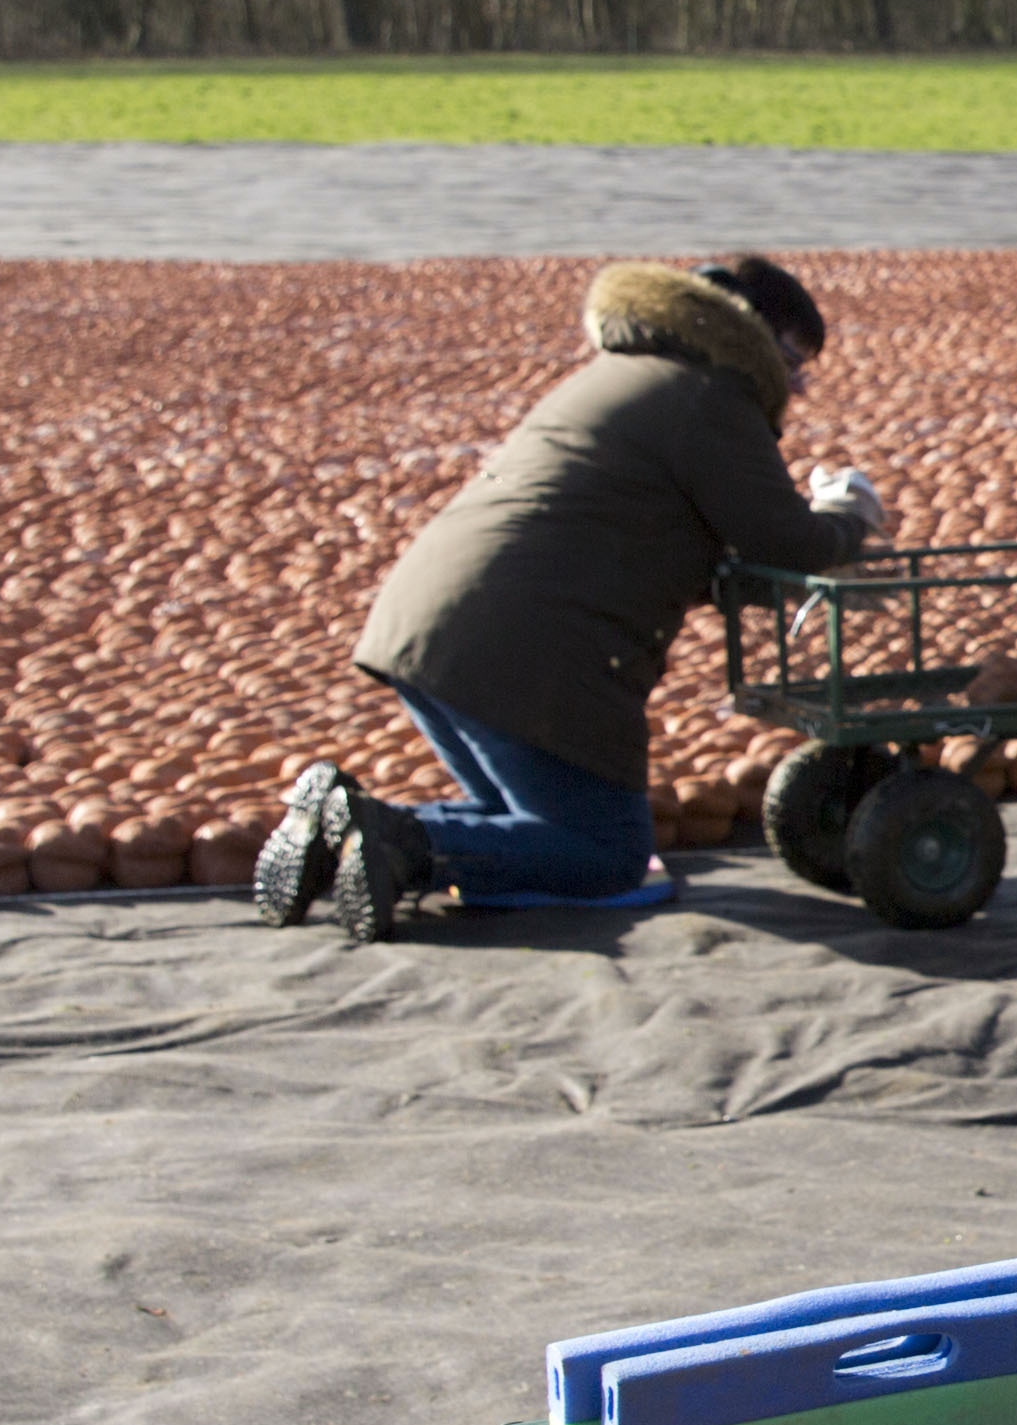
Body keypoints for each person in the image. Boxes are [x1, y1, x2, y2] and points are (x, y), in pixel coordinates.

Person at [256, 256, 886, 942]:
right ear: (748, 332)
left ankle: (341, 823)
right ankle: (398, 839)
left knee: (528, 822)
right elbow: (787, 541)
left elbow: (666, 539)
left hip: (427, 627)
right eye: (791, 359)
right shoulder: (711, 395)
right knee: (606, 853)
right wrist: (850, 514)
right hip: (522, 648)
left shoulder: (628, 372)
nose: (797, 384)